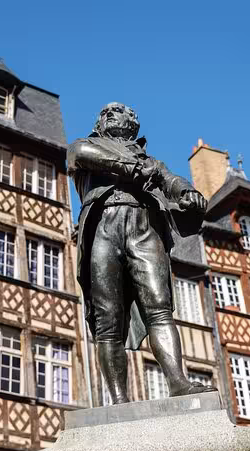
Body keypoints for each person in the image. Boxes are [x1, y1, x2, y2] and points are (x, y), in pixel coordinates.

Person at [68, 102, 215, 404]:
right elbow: (81, 154)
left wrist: (187, 193)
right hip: (103, 228)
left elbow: (171, 179)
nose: (110, 113)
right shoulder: (87, 145)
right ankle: (119, 400)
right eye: (105, 112)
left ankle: (178, 382)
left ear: (132, 124)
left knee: (159, 309)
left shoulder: (151, 160)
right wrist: (134, 169)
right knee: (107, 319)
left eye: (118, 111)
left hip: (143, 227)